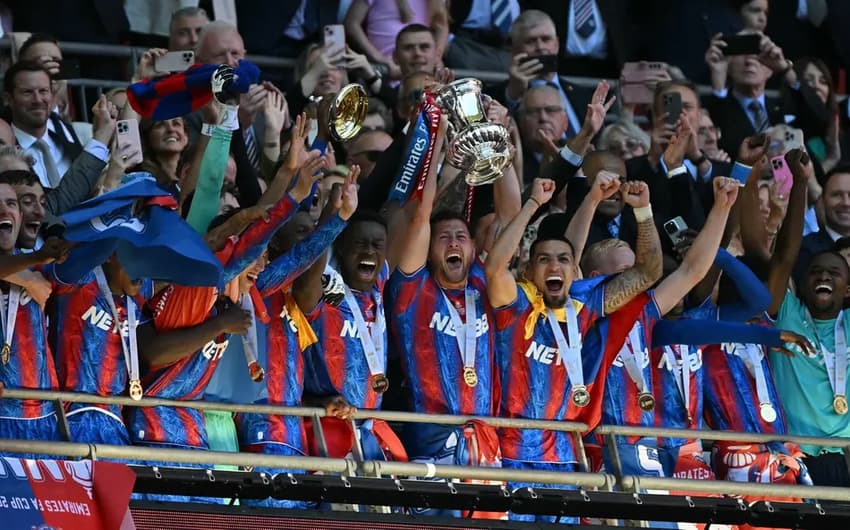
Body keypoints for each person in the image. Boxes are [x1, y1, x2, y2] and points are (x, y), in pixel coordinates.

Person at [484, 177, 662, 522]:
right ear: (529, 271)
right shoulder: (517, 304)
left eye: (563, 260)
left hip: (566, 454)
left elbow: (648, 272)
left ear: (573, 270)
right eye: (544, 260)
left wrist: (642, 211)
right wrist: (533, 204)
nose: (554, 267)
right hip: (511, 454)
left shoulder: (586, 303)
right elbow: (494, 267)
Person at [3, 61, 112, 190]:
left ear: (52, 96)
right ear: (8, 99)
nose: (38, 100)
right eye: (27, 92)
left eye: (43, 91)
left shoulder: (73, 135)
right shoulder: (5, 150)